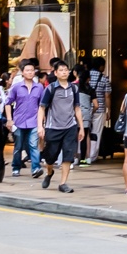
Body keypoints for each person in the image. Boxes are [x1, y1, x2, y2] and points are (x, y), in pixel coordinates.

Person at [39, 60, 82, 192]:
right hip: (53, 127)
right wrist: (40, 126)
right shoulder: (50, 88)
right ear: (56, 73)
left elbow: (77, 108)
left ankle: (63, 183)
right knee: (50, 156)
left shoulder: (74, 88)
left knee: (68, 155)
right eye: (61, 70)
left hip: (70, 127)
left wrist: (81, 127)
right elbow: (41, 108)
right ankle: (49, 172)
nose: (64, 72)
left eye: (66, 70)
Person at [7, 63, 45, 178]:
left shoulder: (39, 87)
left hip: (34, 121)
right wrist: (9, 119)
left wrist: (42, 123)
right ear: (22, 72)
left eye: (32, 70)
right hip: (19, 121)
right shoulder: (16, 87)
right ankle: (16, 167)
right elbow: (8, 103)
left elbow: (42, 106)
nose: (30, 72)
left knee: (33, 145)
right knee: (18, 146)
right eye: (27, 70)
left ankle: (36, 168)